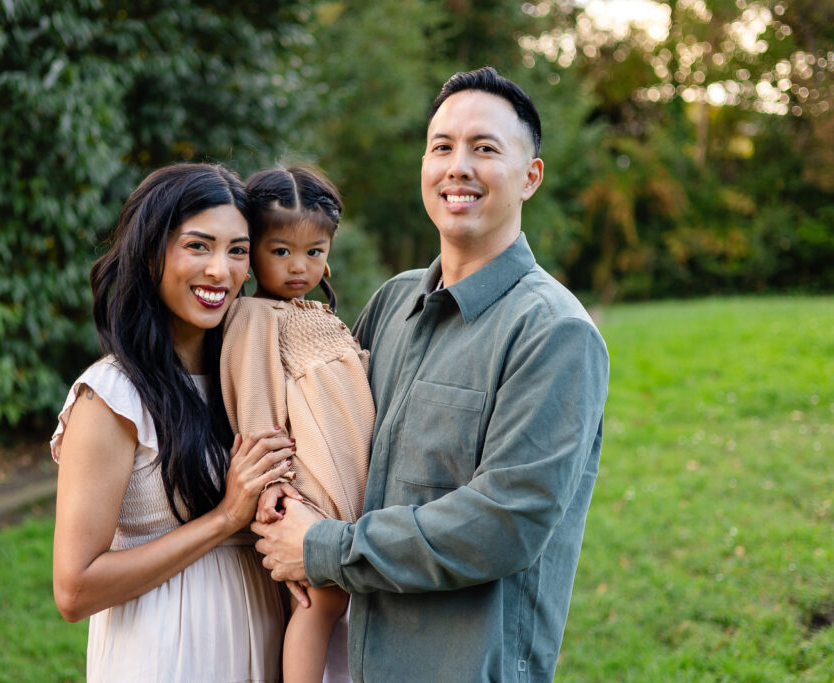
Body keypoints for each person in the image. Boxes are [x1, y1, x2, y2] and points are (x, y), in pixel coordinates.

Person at [251, 66, 610, 682]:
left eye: (485, 148)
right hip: (350, 657)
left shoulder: (554, 332)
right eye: (442, 146)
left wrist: (324, 548)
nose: (457, 166)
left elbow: (504, 524)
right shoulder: (392, 304)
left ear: (531, 177)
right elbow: (330, 441)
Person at [50, 163, 299, 682]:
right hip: (166, 652)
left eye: (236, 251)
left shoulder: (251, 382)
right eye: (198, 246)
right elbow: (74, 590)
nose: (220, 271)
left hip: (263, 636)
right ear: (150, 252)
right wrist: (225, 517)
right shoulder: (113, 397)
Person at [220, 166, 373, 683]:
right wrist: (276, 488)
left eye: (314, 252)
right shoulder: (254, 317)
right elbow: (256, 405)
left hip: (350, 476)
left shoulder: (320, 315)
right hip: (308, 483)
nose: (298, 266)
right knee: (319, 600)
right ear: (251, 253)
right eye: (280, 251)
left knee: (344, 599)